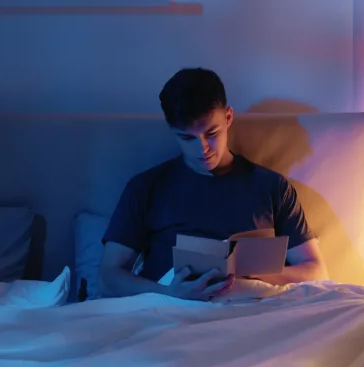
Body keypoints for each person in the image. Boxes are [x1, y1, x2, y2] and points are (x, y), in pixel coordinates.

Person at [98, 68, 328, 301]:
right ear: (173, 131)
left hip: (253, 310)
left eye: (211, 133)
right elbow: (108, 277)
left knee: (359, 304)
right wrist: (168, 293)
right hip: (172, 311)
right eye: (187, 138)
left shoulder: (272, 187)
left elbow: (316, 271)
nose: (202, 149)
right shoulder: (146, 188)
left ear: (228, 118)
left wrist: (251, 276)